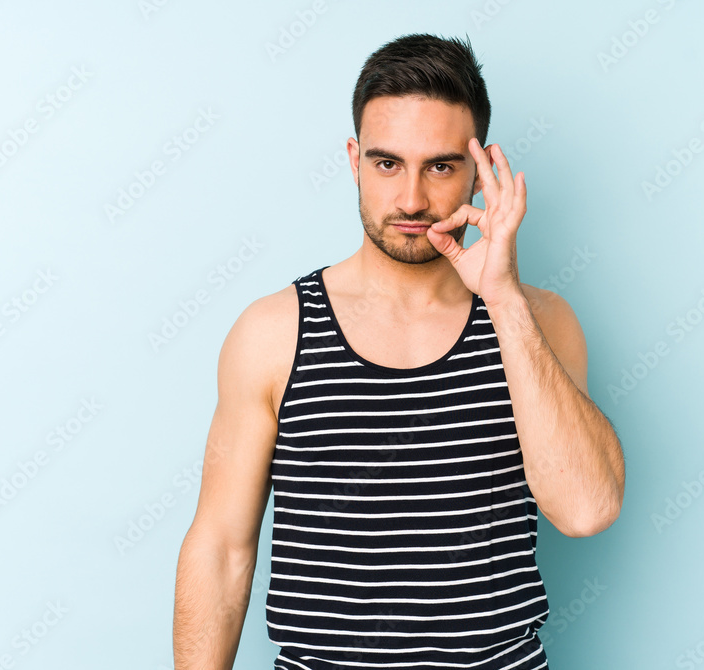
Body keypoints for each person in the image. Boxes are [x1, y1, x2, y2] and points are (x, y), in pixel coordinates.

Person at [173, 32, 625, 670]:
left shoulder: (538, 322)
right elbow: (221, 547)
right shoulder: (274, 332)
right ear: (354, 159)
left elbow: (587, 509)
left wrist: (503, 300)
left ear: (480, 172)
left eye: (440, 166)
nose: (412, 199)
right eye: (387, 164)